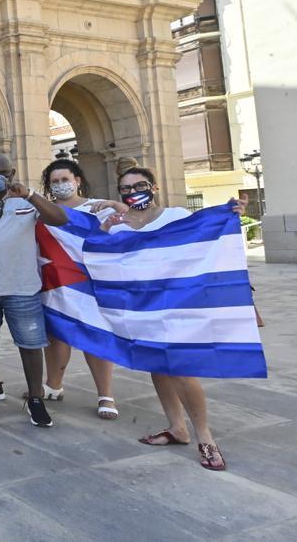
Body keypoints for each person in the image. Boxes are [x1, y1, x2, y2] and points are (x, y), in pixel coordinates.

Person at [104, 167, 243, 471]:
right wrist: (107, 226)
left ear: (153, 187)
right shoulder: (119, 226)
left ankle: (205, 437)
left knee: (180, 369)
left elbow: (206, 239)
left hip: (178, 305)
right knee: (158, 366)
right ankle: (176, 428)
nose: (132, 192)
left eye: (138, 185)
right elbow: (100, 257)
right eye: (125, 188)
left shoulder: (176, 215)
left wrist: (228, 212)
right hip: (143, 307)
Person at [0, 154, 69, 428]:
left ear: (12, 172)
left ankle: (36, 397)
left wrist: (29, 195)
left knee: (30, 344)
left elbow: (60, 218)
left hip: (22, 287)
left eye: (3, 172)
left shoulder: (29, 201)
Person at [39, 158, 127, 420]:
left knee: (96, 337)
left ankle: (106, 395)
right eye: (54, 182)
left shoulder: (95, 207)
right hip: (54, 284)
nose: (60, 185)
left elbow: (132, 220)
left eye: (65, 179)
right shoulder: (43, 210)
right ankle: (53, 385)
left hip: (90, 283)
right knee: (56, 336)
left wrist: (115, 204)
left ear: (77, 180)